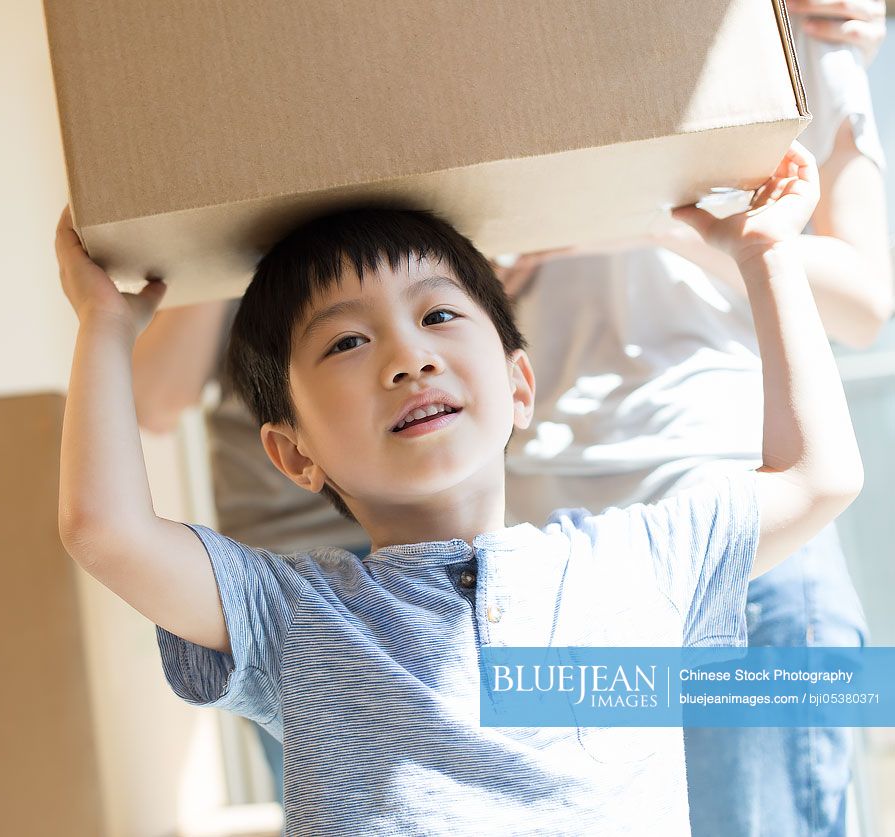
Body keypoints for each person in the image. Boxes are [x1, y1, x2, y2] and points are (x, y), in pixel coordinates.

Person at [55, 143, 863, 835]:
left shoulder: (635, 559)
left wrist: (765, 256)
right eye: (345, 340)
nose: (408, 357)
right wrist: (104, 325)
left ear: (519, 384)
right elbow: (105, 529)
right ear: (291, 451)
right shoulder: (288, 612)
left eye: (439, 315)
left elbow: (816, 478)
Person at [502, 9, 890, 835]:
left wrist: (668, 225)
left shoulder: (797, 28)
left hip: (748, 536)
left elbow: (865, 302)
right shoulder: (477, 42)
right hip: (545, 553)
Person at [131, 296, 370, 804]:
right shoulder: (278, 602)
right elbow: (152, 401)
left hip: (483, 543)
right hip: (288, 561)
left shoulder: (561, 570)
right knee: (335, 798)